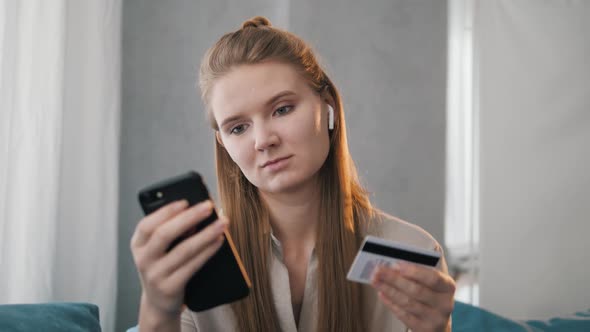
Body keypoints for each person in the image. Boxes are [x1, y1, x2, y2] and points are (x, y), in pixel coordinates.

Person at [131, 16, 455, 332]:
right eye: (238, 127)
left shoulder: (412, 251)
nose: (263, 141)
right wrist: (158, 312)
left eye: (282, 109)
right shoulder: (197, 265)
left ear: (326, 107)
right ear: (223, 143)